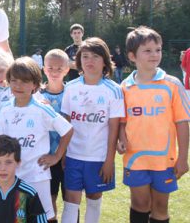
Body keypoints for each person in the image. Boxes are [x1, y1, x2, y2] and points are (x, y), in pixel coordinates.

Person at [118, 26, 190, 223]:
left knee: (160, 207)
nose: (154, 55)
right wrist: (121, 139)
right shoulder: (125, 87)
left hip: (163, 160)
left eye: (157, 49)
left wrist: (183, 158)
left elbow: (182, 123)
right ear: (132, 56)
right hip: (135, 158)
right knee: (140, 204)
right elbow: (122, 122)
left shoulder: (172, 84)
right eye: (147, 50)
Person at [0, 56, 73, 221]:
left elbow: (67, 130)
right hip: (12, 175)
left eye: (25, 81)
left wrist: (56, 156)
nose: (18, 86)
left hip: (37, 174)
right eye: (14, 80)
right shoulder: (6, 108)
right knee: (18, 216)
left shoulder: (42, 108)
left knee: (46, 216)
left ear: (35, 85)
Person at [60, 37, 125, 223]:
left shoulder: (114, 90)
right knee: (71, 200)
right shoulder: (71, 88)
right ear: (78, 60)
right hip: (73, 155)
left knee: (94, 198)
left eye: (95, 56)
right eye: (85, 56)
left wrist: (109, 160)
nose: (89, 61)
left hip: (98, 157)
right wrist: (63, 153)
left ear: (105, 60)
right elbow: (66, 123)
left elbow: (114, 127)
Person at [39, 49, 70, 222]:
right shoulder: (38, 95)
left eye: (59, 68)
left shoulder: (72, 93)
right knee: (48, 202)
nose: (55, 72)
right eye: (51, 67)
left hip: (68, 157)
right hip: (45, 157)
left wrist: (64, 153)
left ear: (67, 69)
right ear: (44, 69)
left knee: (70, 200)